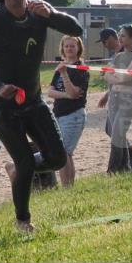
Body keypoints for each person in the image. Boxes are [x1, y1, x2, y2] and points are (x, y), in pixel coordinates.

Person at [0, 0, 83, 233]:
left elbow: (76, 29)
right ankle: (23, 222)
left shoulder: (40, 10)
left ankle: (18, 171)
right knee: (26, 162)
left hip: (34, 101)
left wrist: (52, 14)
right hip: (2, 105)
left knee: (57, 159)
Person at [97, 27, 132, 170]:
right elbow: (105, 74)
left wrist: (114, 77)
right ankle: (125, 167)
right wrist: (115, 77)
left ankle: (113, 169)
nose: (120, 38)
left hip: (127, 99)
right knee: (116, 133)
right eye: (119, 35)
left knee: (117, 133)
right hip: (114, 98)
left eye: (123, 36)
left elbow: (126, 77)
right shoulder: (118, 56)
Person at [46, 36, 89, 187]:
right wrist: (66, 95)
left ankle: (67, 187)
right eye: (66, 46)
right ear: (62, 49)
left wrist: (64, 75)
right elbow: (50, 92)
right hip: (59, 113)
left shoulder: (81, 69)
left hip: (74, 115)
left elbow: (75, 91)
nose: (69, 49)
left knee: (64, 153)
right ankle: (69, 187)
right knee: (65, 153)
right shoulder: (61, 66)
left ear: (78, 48)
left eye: (72, 46)